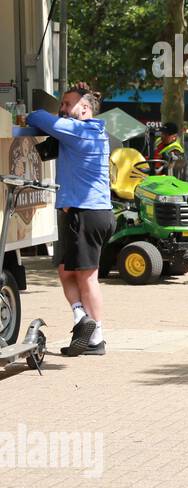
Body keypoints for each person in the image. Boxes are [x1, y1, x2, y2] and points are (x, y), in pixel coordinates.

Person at [15, 84, 113, 356]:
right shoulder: (91, 132)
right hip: (87, 214)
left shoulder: (80, 131)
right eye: (61, 106)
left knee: (88, 277)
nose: (62, 110)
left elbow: (38, 118)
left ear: (85, 108)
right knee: (65, 271)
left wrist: (31, 113)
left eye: (67, 104)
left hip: (86, 214)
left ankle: (96, 337)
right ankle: (82, 319)